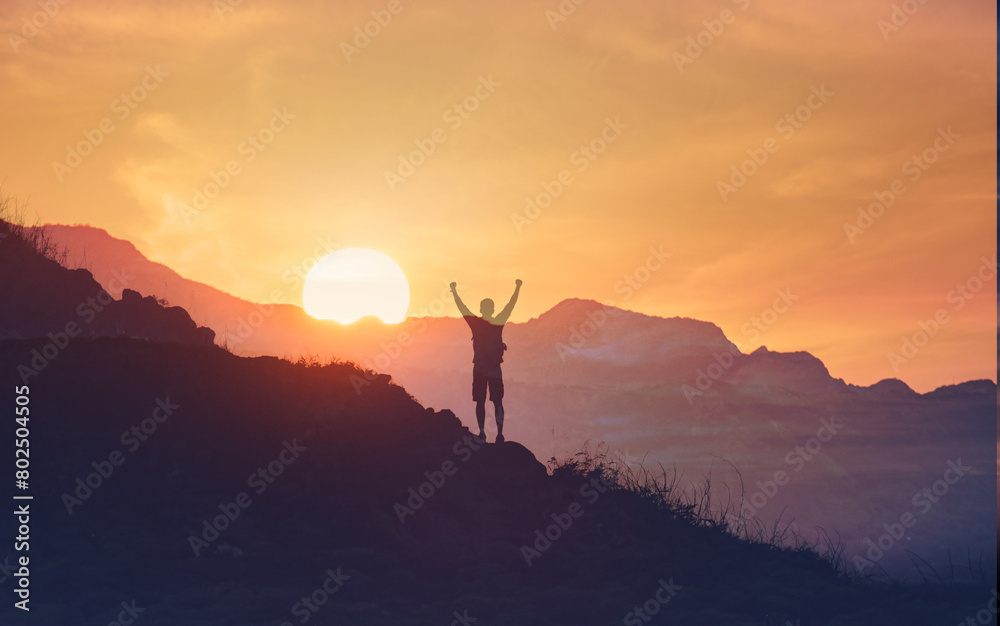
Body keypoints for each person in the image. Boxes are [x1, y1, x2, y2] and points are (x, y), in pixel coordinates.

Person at [450, 279, 521, 443]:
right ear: (492, 309)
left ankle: (483, 433)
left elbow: (462, 308)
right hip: (493, 369)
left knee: (481, 401)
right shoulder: (497, 322)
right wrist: (517, 288)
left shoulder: (476, 324)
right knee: (497, 402)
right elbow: (511, 305)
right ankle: (499, 435)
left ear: (482, 309)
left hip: (481, 368)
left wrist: (454, 292)